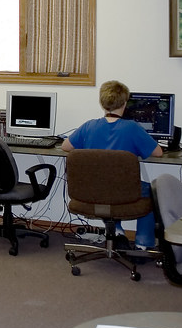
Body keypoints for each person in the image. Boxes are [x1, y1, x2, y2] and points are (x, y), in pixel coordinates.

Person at [60, 80, 161, 249]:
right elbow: (158, 152)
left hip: (92, 191)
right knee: (152, 191)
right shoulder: (132, 128)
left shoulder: (88, 126)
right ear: (125, 102)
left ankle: (118, 232)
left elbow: (65, 147)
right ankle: (143, 244)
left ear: (102, 103)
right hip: (124, 191)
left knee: (109, 188)